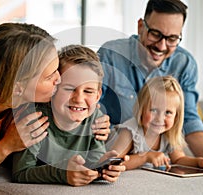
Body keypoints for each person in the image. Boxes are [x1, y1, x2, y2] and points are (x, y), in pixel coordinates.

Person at [0, 23, 109, 194]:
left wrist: (94, 115)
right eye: (50, 76)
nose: (59, 80)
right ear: (19, 87)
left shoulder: (2, 82)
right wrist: (6, 146)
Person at [97, 0, 203, 160]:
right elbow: (90, 105)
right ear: (140, 27)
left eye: (172, 39)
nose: (161, 46)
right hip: (115, 158)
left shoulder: (184, 64)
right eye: (155, 34)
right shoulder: (110, 55)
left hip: (155, 166)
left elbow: (189, 118)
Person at [12, 45, 128, 186]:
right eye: (69, 89)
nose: (79, 99)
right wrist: (62, 173)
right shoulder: (35, 118)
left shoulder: (96, 119)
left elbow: (92, 163)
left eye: (88, 91)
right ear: (54, 89)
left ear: (98, 96)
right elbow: (21, 172)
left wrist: (103, 168)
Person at [111, 76, 203, 172]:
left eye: (168, 112)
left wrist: (199, 162)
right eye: (153, 110)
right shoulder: (129, 132)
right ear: (141, 108)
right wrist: (145, 157)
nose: (159, 119)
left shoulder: (167, 135)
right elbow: (113, 164)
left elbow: (178, 159)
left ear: (176, 116)